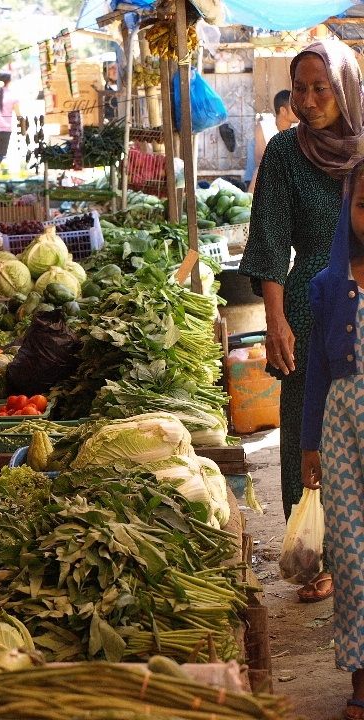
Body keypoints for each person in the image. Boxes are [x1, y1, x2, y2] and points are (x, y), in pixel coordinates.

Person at [240, 39, 364, 603]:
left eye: (321, 88)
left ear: (345, 89)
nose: (309, 101)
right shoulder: (287, 152)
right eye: (301, 89)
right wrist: (275, 318)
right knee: (307, 428)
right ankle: (317, 551)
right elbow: (268, 237)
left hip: (361, 297)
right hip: (307, 304)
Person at [301, 160, 364, 720]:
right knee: (349, 557)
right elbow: (316, 374)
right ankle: (361, 681)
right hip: (342, 432)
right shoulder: (327, 285)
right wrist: (307, 445)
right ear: (350, 210)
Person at [246, 90, 299, 193]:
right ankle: (249, 205)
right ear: (283, 111)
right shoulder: (263, 126)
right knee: (258, 173)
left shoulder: (299, 128)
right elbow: (259, 159)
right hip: (271, 170)